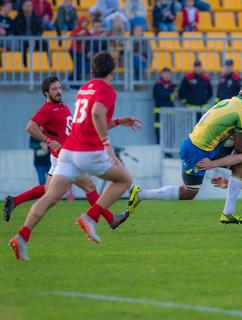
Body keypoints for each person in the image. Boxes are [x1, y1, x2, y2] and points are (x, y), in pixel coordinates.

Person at [9, 53, 143, 260]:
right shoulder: (106, 90)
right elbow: (97, 115)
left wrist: (118, 121)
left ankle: (22, 236)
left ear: (93, 70)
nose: (58, 91)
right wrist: (107, 146)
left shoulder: (85, 89)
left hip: (68, 152)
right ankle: (91, 217)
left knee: (50, 196)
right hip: (87, 150)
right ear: (113, 71)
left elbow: (91, 119)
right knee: (124, 179)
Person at [126, 83, 242, 225]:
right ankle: (141, 194)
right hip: (195, 150)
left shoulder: (228, 102)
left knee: (241, 164)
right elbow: (240, 146)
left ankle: (228, 214)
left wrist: (239, 155)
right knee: (188, 193)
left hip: (206, 147)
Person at [3, 76, 129, 231]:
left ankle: (14, 201)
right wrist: (48, 140)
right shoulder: (47, 109)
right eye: (54, 89)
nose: (58, 91)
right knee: (89, 187)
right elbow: (30, 127)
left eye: (59, 88)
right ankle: (110, 219)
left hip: (64, 155)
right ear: (46, 93)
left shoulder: (62, 106)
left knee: (48, 190)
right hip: (65, 158)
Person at [14, 0, 50, 67]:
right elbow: (18, 31)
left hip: (34, 40)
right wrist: (27, 39)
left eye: (30, 6)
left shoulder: (37, 17)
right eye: (27, 6)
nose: (29, 8)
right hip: (23, 40)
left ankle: (49, 64)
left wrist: (34, 39)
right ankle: (24, 65)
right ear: (22, 7)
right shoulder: (18, 18)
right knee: (22, 45)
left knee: (45, 43)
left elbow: (40, 30)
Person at [153, 67, 177, 143]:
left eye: (169, 74)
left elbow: (176, 94)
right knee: (159, 132)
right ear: (161, 74)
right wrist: (171, 96)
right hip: (159, 114)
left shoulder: (172, 85)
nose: (167, 75)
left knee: (169, 132)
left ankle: (168, 152)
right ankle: (159, 148)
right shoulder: (158, 85)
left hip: (170, 114)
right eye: (165, 73)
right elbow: (165, 96)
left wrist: (171, 96)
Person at [69, 16, 90, 85]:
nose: (84, 24)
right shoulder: (78, 29)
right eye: (83, 22)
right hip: (73, 50)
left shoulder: (86, 30)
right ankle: (73, 81)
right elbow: (71, 35)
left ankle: (71, 80)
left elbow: (90, 36)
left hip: (80, 51)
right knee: (78, 66)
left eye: (86, 22)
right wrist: (79, 34)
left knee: (79, 67)